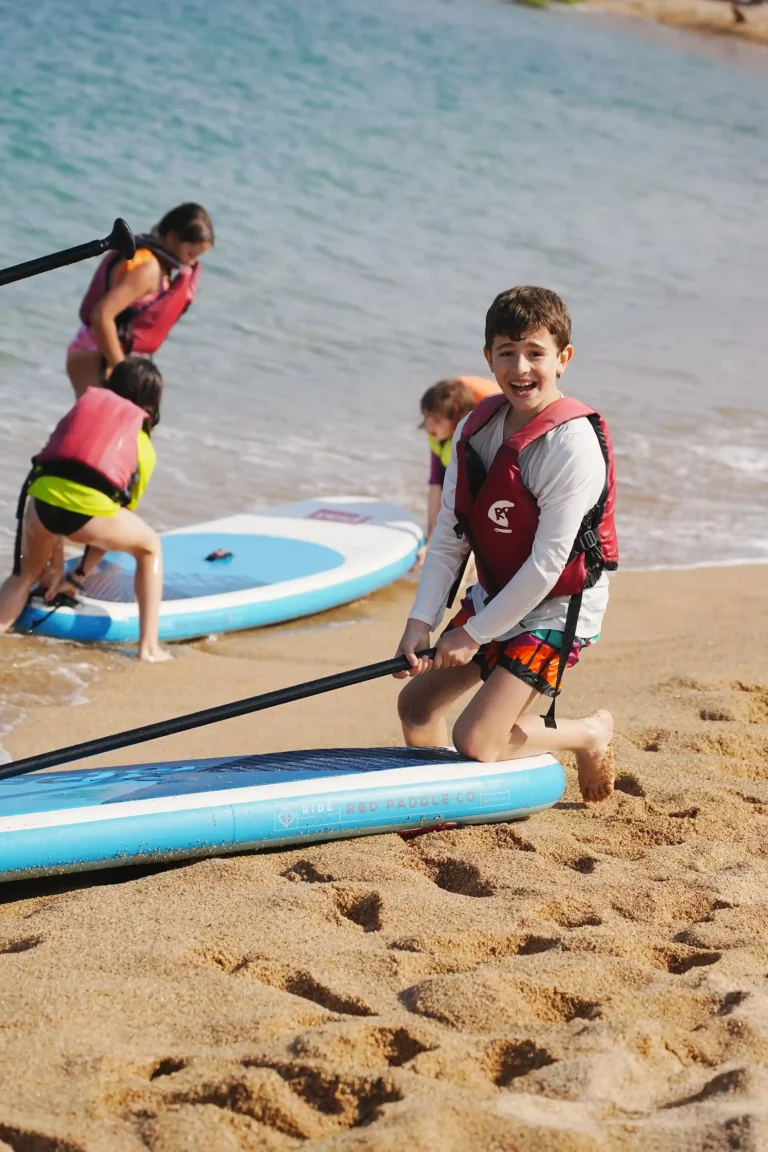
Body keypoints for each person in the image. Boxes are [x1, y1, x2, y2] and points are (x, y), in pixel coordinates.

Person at [395, 286, 618, 804]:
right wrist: (420, 622)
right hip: (497, 594)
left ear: (563, 358)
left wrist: (473, 634)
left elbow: (547, 566)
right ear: (488, 358)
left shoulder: (572, 446)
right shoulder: (474, 428)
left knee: (476, 740)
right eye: (507, 353)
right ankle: (442, 805)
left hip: (557, 608)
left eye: (535, 353)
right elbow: (450, 536)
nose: (520, 368)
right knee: (416, 707)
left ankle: (590, 733)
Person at [0, 359, 170, 663]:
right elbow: (115, 513)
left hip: (40, 505)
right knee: (150, 548)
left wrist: (56, 566)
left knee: (24, 575)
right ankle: (149, 648)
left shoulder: (81, 413)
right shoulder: (142, 443)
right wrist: (78, 575)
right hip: (87, 517)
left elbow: (60, 481)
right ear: (151, 403)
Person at [66, 203, 214, 397]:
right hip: (95, 355)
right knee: (101, 417)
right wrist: (122, 372)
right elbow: (101, 316)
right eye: (190, 254)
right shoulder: (148, 269)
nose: (191, 263)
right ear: (171, 238)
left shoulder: (156, 263)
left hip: (102, 355)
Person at [420, 376, 500, 557]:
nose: (429, 425)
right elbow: (435, 484)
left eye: (437, 421)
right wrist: (431, 537)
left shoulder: (473, 444)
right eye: (427, 417)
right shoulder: (438, 436)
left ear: (456, 423)